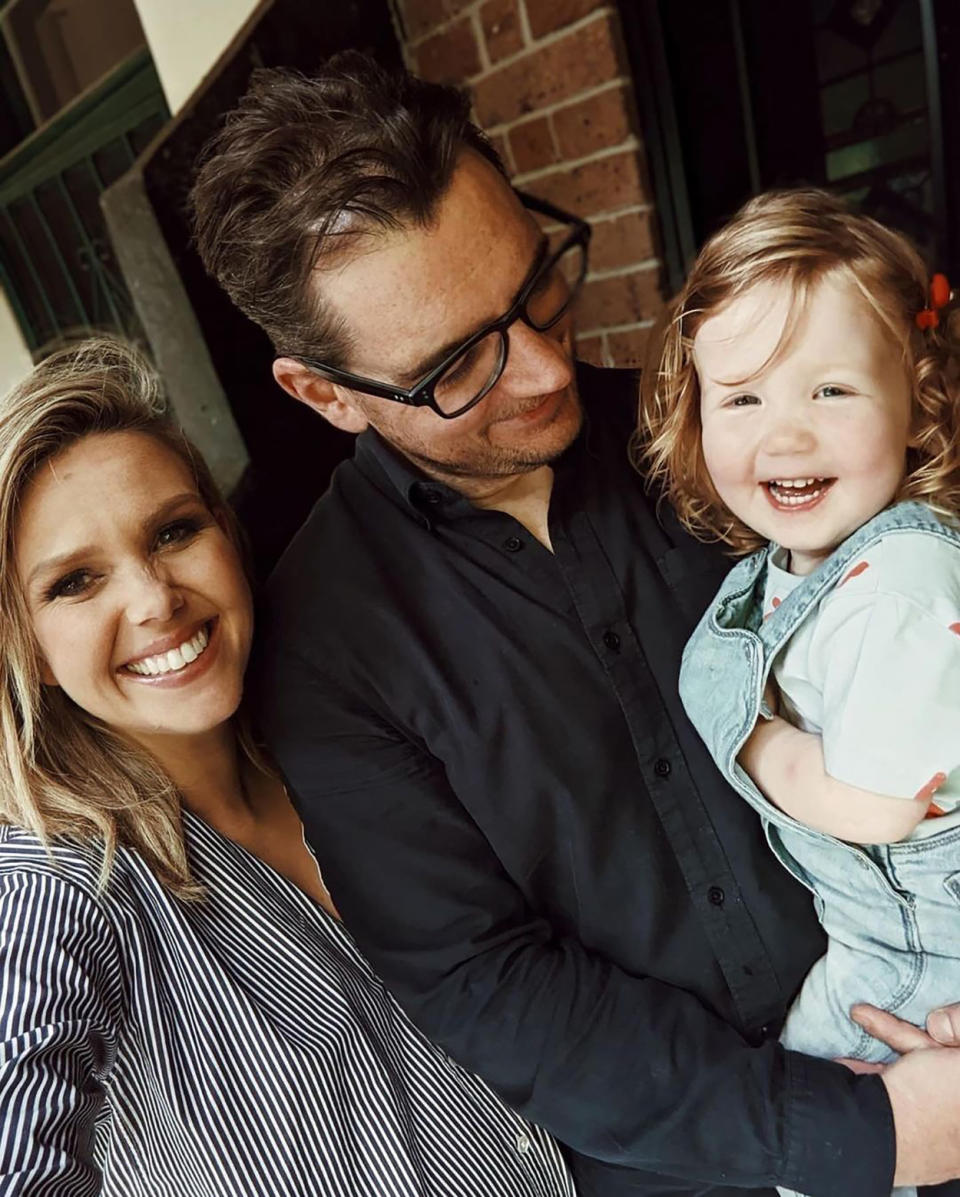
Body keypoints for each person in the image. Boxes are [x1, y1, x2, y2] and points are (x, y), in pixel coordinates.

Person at [188, 54, 960, 1197]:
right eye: (457, 366)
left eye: (537, 285)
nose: (548, 368)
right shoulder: (322, 651)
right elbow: (488, 983)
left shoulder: (742, 446)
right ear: (325, 394)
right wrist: (855, 1132)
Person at [0, 336, 575, 1197]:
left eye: (174, 531)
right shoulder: (61, 882)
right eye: (76, 583)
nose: (155, 598)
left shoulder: (345, 747)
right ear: (31, 651)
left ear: (226, 538)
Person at [639, 188, 960, 1197]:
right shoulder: (793, 561)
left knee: (817, 1137)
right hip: (881, 929)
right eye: (744, 399)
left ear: (916, 400)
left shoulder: (899, 584)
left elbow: (878, 805)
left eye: (831, 392)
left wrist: (757, 743)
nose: (784, 437)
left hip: (921, 947)